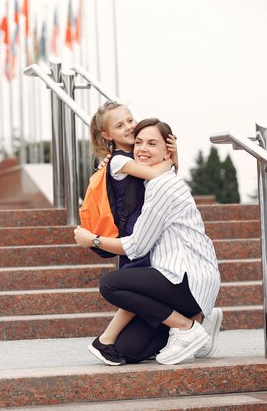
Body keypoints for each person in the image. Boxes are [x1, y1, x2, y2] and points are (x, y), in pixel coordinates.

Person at [75, 118, 222, 365]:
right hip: (174, 280)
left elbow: (135, 247)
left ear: (167, 150)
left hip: (186, 278)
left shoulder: (162, 187)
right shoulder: (153, 181)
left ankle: (186, 326)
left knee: (110, 284)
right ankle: (200, 321)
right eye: (139, 142)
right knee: (128, 351)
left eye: (152, 143)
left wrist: (93, 240)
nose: (142, 149)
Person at [85, 102, 177, 366]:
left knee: (142, 295)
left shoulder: (130, 156)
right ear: (107, 136)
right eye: (119, 125)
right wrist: (171, 157)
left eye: (129, 120)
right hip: (134, 238)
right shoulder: (119, 160)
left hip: (146, 234)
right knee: (134, 292)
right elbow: (154, 174)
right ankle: (106, 339)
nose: (128, 126)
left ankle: (119, 338)